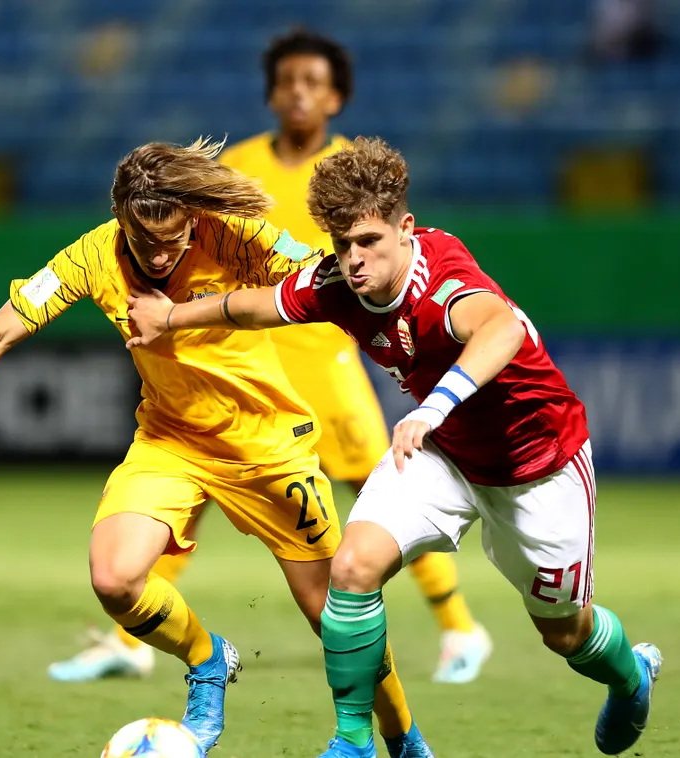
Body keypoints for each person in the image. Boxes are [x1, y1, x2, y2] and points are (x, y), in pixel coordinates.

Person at [0, 138, 433, 757]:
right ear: (122, 217)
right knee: (114, 577)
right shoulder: (93, 256)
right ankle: (207, 661)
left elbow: (324, 280)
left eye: (174, 239)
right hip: (170, 441)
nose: (159, 253)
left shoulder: (233, 237)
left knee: (334, 619)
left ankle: (404, 741)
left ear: (192, 218)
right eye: (145, 240)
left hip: (267, 445)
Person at [125, 136, 661, 757]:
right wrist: (172, 318)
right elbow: (254, 308)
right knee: (351, 567)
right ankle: (354, 740)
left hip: (538, 466)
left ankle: (630, 677)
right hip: (444, 454)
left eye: (369, 242)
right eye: (343, 245)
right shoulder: (336, 284)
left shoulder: (442, 284)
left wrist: (433, 406)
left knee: (565, 635)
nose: (354, 260)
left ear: (405, 229)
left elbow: (502, 326)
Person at [49, 27, 490, 687]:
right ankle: (131, 639)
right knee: (186, 494)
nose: (297, 94)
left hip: (321, 357)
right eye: (287, 82)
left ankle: (458, 627)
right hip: (247, 356)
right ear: (270, 93)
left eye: (312, 82)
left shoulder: (348, 174)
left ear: (336, 96)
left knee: (383, 486)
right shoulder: (240, 167)